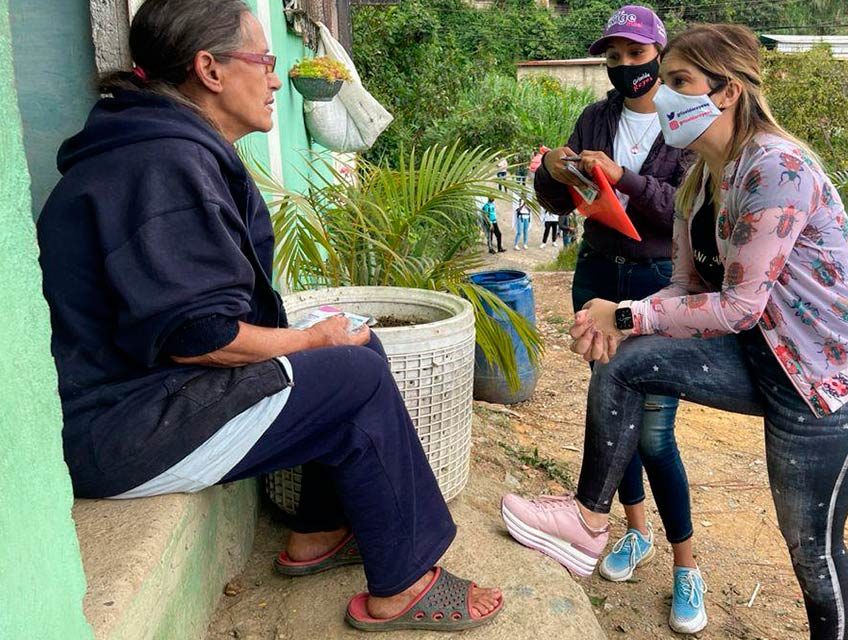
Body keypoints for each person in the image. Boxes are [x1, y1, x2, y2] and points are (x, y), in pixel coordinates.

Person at [36, 0, 503, 632]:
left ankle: (318, 534)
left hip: (140, 400)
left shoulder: (159, 146)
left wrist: (322, 341)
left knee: (353, 352)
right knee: (353, 373)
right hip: (118, 428)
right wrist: (312, 337)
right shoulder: (159, 164)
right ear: (210, 69)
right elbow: (197, 336)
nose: (276, 79)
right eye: (266, 61)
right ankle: (403, 587)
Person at [503, 24, 848, 640]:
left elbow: (739, 305)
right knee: (625, 361)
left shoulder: (777, 168)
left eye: (677, 82)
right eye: (663, 83)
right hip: (763, 355)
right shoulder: (701, 181)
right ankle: (587, 523)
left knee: (811, 551)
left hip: (832, 386)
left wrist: (629, 314)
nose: (661, 95)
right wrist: (620, 318)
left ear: (728, 93)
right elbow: (688, 288)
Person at [533, 2, 693, 606]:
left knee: (654, 432)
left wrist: (623, 176)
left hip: (659, 279)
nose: (625, 66)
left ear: (660, 55)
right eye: (615, 56)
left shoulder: (685, 123)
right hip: (597, 273)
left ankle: (687, 563)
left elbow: (684, 209)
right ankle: (634, 532)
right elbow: (557, 202)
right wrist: (553, 171)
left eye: (637, 54)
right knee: (610, 411)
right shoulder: (594, 118)